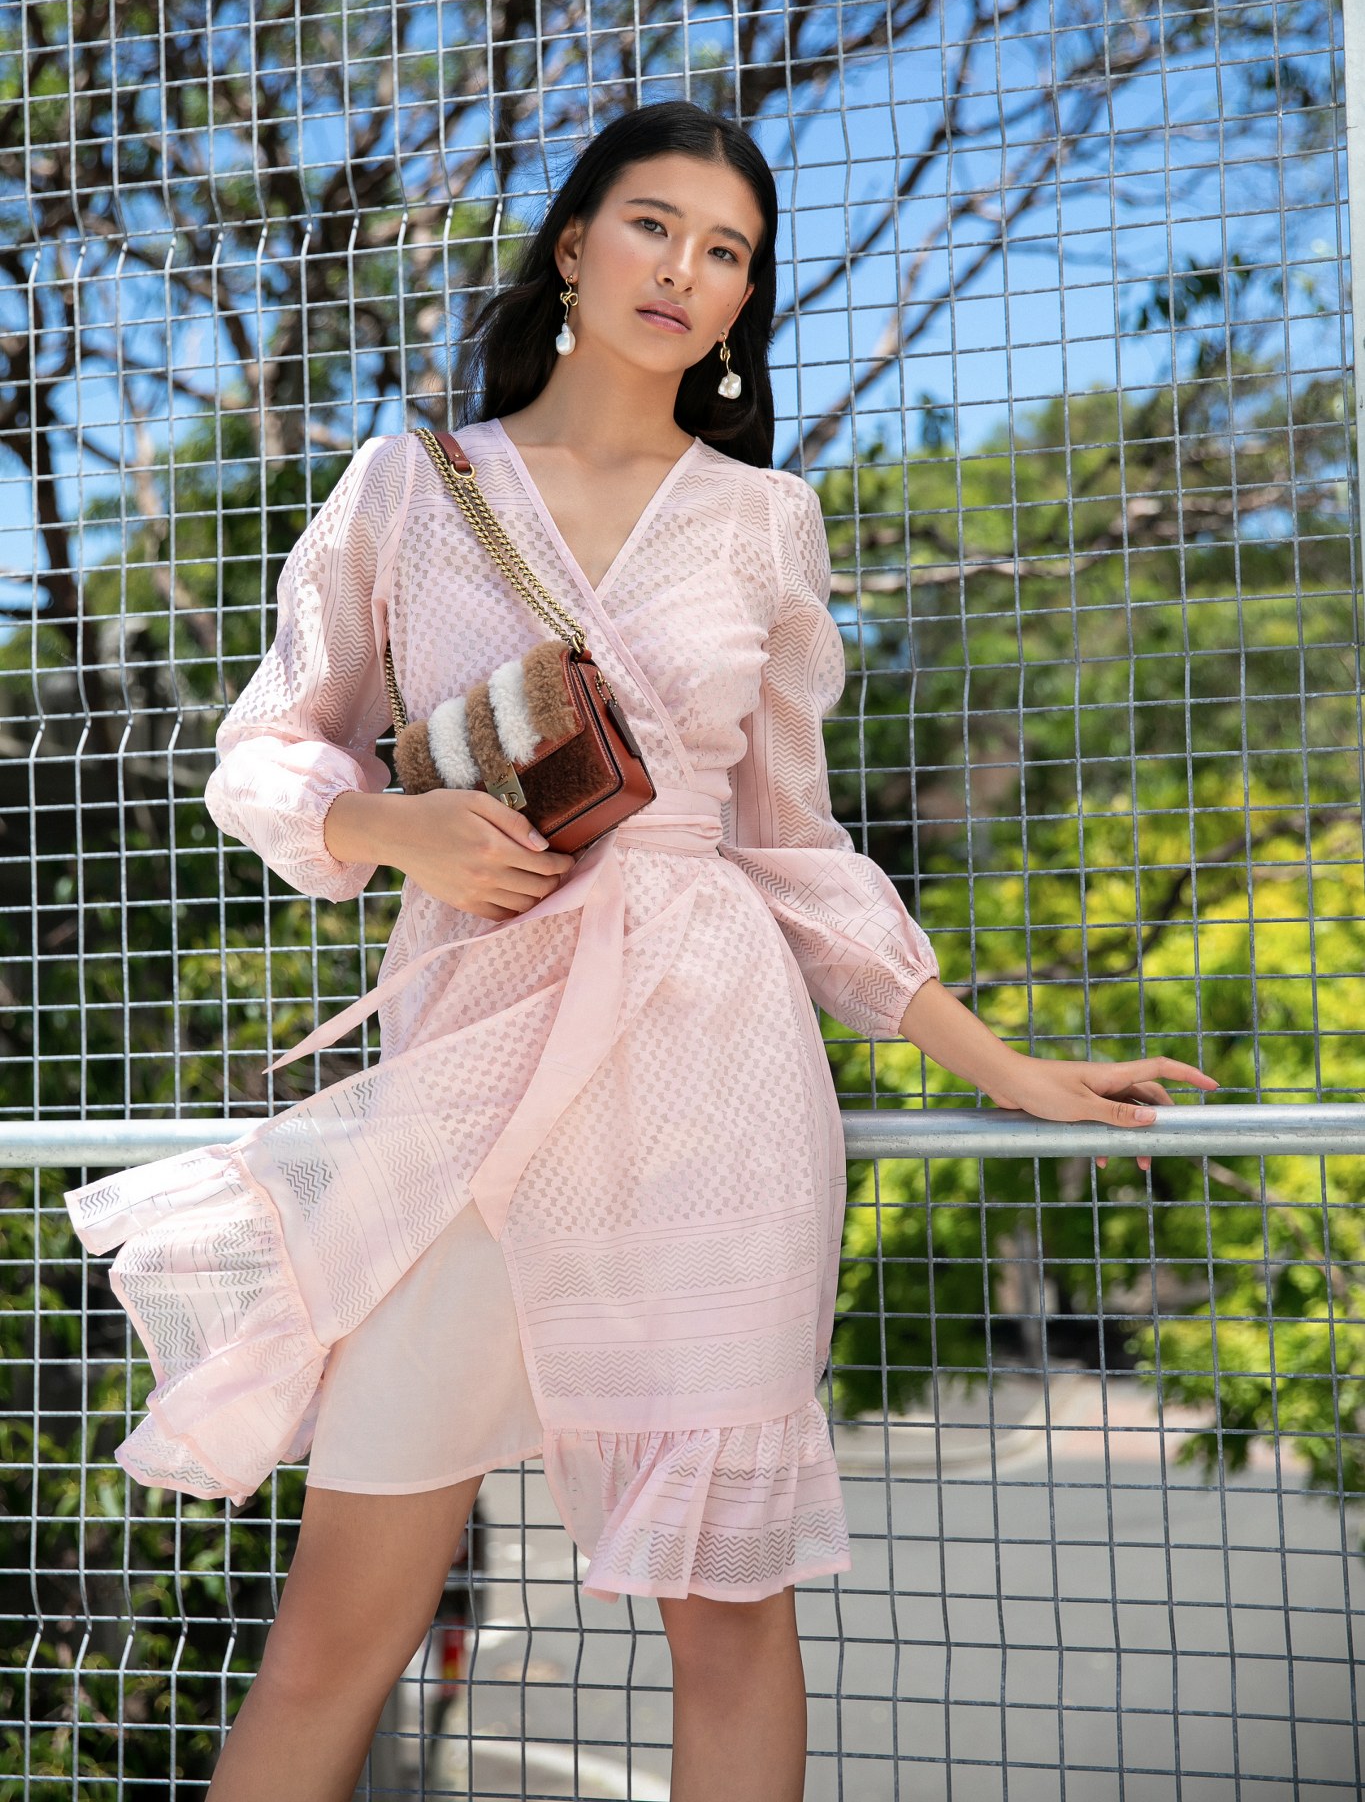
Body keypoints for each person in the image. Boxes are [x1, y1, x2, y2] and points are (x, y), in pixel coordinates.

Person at [64, 99, 1215, 1802]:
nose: (684, 269)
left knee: (726, 1624)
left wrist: (1002, 1063)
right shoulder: (410, 488)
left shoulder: (762, 521)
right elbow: (265, 748)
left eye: (726, 250)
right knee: (332, 1637)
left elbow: (792, 850)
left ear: (744, 298)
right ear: (573, 246)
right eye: (653, 225)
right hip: (473, 1085)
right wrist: (391, 827)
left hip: (711, 1085)